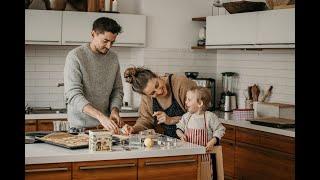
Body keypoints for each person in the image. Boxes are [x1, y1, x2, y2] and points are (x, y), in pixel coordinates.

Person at [64, 17, 124, 134]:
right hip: (79, 129)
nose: (109, 46)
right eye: (105, 41)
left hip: (104, 128)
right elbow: (73, 95)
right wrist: (100, 116)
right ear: (93, 34)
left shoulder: (113, 58)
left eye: (112, 42)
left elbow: (117, 90)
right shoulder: (75, 56)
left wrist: (114, 110)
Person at [121, 67, 197, 138]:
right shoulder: (147, 97)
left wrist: (171, 120)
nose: (159, 91)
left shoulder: (181, 84)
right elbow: (145, 121)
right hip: (166, 145)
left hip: (191, 141)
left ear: (157, 76)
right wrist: (133, 129)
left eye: (157, 85)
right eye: (152, 93)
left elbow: (199, 116)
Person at [176, 86, 225, 180]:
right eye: (186, 99)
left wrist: (213, 141)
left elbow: (220, 129)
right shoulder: (187, 116)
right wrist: (181, 135)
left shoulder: (210, 117)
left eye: (189, 99)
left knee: (205, 176)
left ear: (200, 103)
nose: (186, 102)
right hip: (189, 156)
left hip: (205, 157)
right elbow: (179, 128)